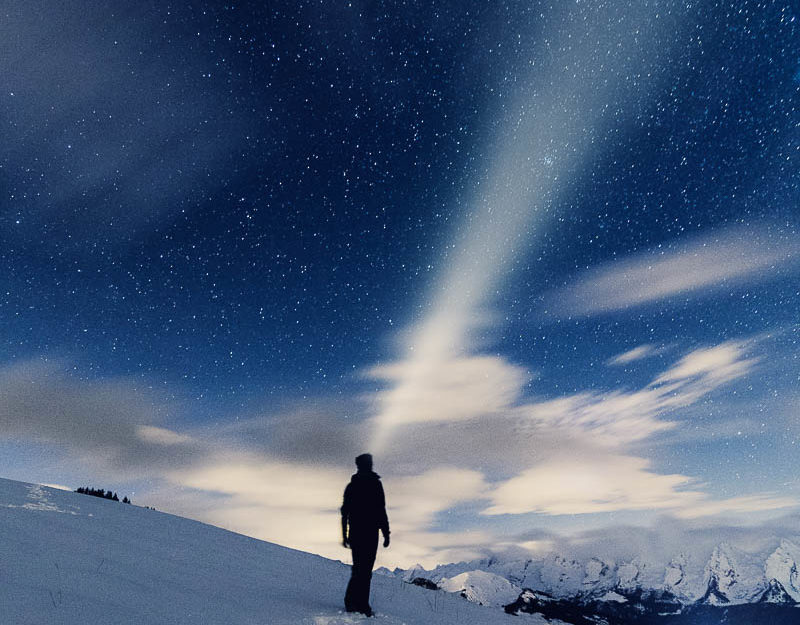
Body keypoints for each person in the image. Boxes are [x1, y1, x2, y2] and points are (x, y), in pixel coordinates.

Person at [341, 453, 390, 617]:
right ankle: (358, 603)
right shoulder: (374, 485)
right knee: (363, 570)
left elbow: (345, 512)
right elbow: (380, 509)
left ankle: (356, 603)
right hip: (368, 533)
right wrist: (385, 533)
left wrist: (345, 534)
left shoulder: (353, 486)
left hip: (359, 532)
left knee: (361, 570)